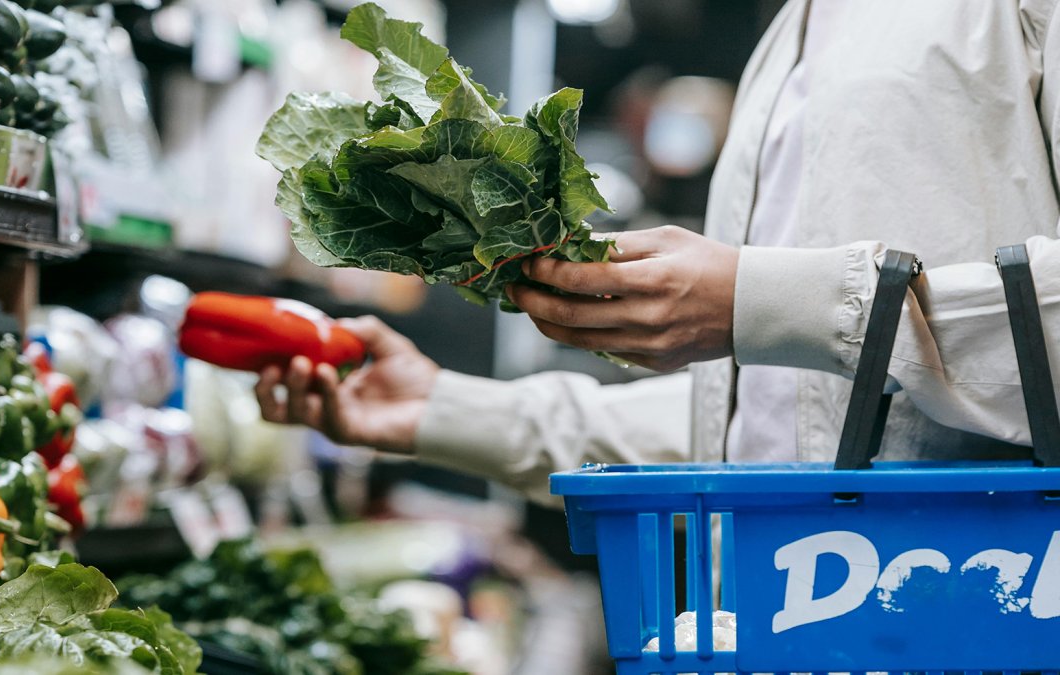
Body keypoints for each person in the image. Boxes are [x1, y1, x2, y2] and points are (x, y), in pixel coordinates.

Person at [257, 1, 1060, 502]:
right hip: (811, 623)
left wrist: (758, 303)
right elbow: (788, 428)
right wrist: (446, 409)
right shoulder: (795, 33)